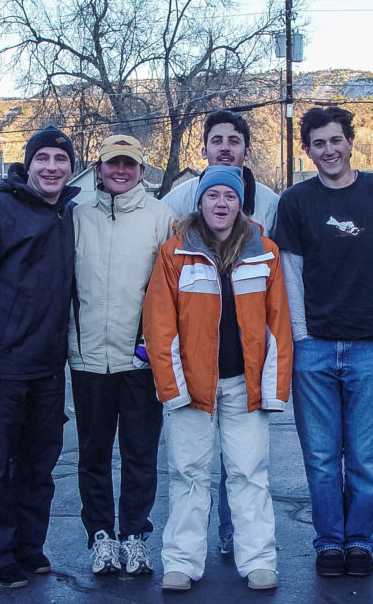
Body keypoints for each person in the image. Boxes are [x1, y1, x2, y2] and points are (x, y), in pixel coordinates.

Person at [274, 107, 373, 579]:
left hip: (370, 345)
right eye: (318, 143)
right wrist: (299, 337)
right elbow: (290, 274)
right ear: (307, 149)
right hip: (314, 346)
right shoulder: (296, 201)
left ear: (350, 142)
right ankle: (330, 541)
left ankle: (360, 540)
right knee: (319, 457)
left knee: (365, 457)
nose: (328, 150)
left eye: (336, 140)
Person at [143, 165, 292, 592]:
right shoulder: (175, 253)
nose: (221, 204)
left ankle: (259, 560)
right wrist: (172, 389)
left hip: (245, 387)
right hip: (193, 387)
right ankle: (182, 562)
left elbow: (277, 324)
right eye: (213, 196)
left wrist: (273, 389)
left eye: (229, 196)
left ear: (239, 204)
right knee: (188, 474)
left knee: (249, 473)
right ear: (201, 202)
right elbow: (159, 325)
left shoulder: (264, 251)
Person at [0, 126, 79, 589]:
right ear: (28, 164)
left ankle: (28, 547)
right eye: (42, 158)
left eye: (60, 160)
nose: (51, 167)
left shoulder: (68, 213)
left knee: (38, 465)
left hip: (47, 368)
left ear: (69, 167)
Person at [161, 109, 279, 555]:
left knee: (245, 465)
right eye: (217, 139)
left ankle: (237, 539)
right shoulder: (179, 199)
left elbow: (276, 279)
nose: (226, 146)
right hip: (195, 361)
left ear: (246, 149)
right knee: (190, 468)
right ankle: (187, 554)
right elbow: (164, 269)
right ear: (204, 148)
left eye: (234, 139)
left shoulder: (268, 201)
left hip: (243, 356)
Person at [67, 134, 175, 576]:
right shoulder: (75, 217)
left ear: (142, 171)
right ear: (99, 167)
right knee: (93, 455)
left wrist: (157, 347)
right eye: (114, 163)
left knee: (139, 453)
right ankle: (101, 539)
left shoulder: (162, 217)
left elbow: (174, 289)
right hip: (88, 357)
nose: (121, 171)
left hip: (139, 361)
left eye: (130, 164)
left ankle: (134, 536)